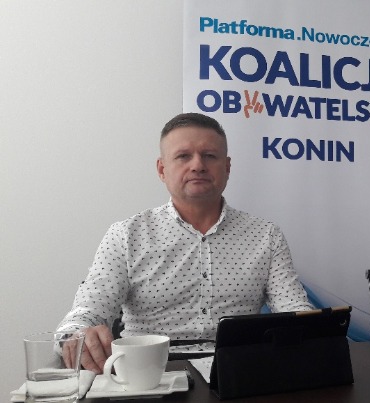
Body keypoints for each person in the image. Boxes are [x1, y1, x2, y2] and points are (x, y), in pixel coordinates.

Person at [57, 112, 313, 373]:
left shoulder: (266, 236)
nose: (198, 165)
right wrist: (77, 334)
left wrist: (314, 332)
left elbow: (296, 312)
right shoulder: (126, 235)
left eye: (209, 156)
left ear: (227, 167)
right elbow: (87, 311)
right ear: (162, 169)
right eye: (183, 156)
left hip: (238, 374)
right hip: (149, 374)